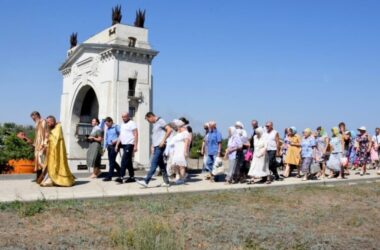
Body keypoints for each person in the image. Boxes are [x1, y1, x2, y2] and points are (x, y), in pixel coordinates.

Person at [137, 112, 172, 188]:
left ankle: (146, 181)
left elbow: (169, 130)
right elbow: (156, 136)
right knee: (161, 165)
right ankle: (166, 182)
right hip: (156, 146)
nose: (148, 122)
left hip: (160, 146)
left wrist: (163, 141)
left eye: (148, 120)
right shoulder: (155, 124)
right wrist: (152, 145)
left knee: (154, 163)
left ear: (151, 117)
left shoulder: (161, 121)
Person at [40, 116, 75, 187]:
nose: (48, 124)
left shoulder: (58, 127)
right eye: (47, 122)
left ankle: (55, 179)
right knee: (50, 165)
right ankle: (50, 179)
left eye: (49, 122)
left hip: (57, 151)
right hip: (52, 150)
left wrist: (48, 136)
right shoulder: (52, 128)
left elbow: (55, 138)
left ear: (53, 121)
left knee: (55, 165)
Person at [115, 112, 138, 184]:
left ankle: (121, 177)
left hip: (130, 144)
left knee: (123, 160)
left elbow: (136, 134)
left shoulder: (132, 123)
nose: (123, 118)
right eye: (122, 117)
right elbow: (121, 135)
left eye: (124, 117)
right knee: (128, 162)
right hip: (124, 144)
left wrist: (135, 145)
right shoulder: (122, 125)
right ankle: (132, 177)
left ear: (128, 116)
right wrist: (117, 145)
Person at [30, 111, 48, 184]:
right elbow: (37, 135)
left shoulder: (43, 121)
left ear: (37, 115)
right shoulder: (37, 123)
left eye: (34, 118)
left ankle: (43, 177)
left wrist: (44, 144)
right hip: (37, 144)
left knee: (41, 160)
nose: (33, 120)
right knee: (37, 160)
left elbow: (46, 133)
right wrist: (34, 144)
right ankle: (39, 177)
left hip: (42, 144)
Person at [170, 119, 190, 184]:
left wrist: (185, 151)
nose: (177, 128)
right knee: (175, 165)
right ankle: (178, 176)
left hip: (181, 151)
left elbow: (186, 143)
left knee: (181, 166)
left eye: (178, 127)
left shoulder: (185, 133)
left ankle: (182, 178)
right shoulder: (178, 134)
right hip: (176, 151)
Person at [102, 117, 122, 182]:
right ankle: (121, 171)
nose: (106, 125)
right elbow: (106, 138)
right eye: (105, 124)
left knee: (111, 161)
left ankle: (109, 176)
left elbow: (121, 135)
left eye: (107, 123)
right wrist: (104, 147)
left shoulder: (116, 127)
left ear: (111, 122)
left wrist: (115, 141)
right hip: (109, 147)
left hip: (115, 146)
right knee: (111, 161)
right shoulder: (108, 129)